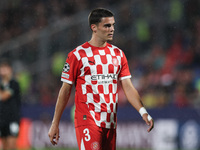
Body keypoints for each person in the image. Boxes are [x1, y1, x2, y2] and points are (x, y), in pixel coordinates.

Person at [48, 8, 154, 150]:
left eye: (113, 25)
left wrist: (143, 112)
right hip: (87, 119)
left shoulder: (118, 54)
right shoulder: (77, 55)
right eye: (107, 25)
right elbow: (65, 90)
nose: (112, 29)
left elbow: (128, 87)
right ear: (94, 27)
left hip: (110, 121)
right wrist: (55, 122)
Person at [0, 60, 21, 150]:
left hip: (13, 118)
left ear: (10, 69)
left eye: (5, 68)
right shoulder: (1, 85)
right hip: (2, 118)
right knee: (4, 145)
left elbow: (4, 96)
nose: (3, 70)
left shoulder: (14, 83)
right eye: (2, 68)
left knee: (12, 145)